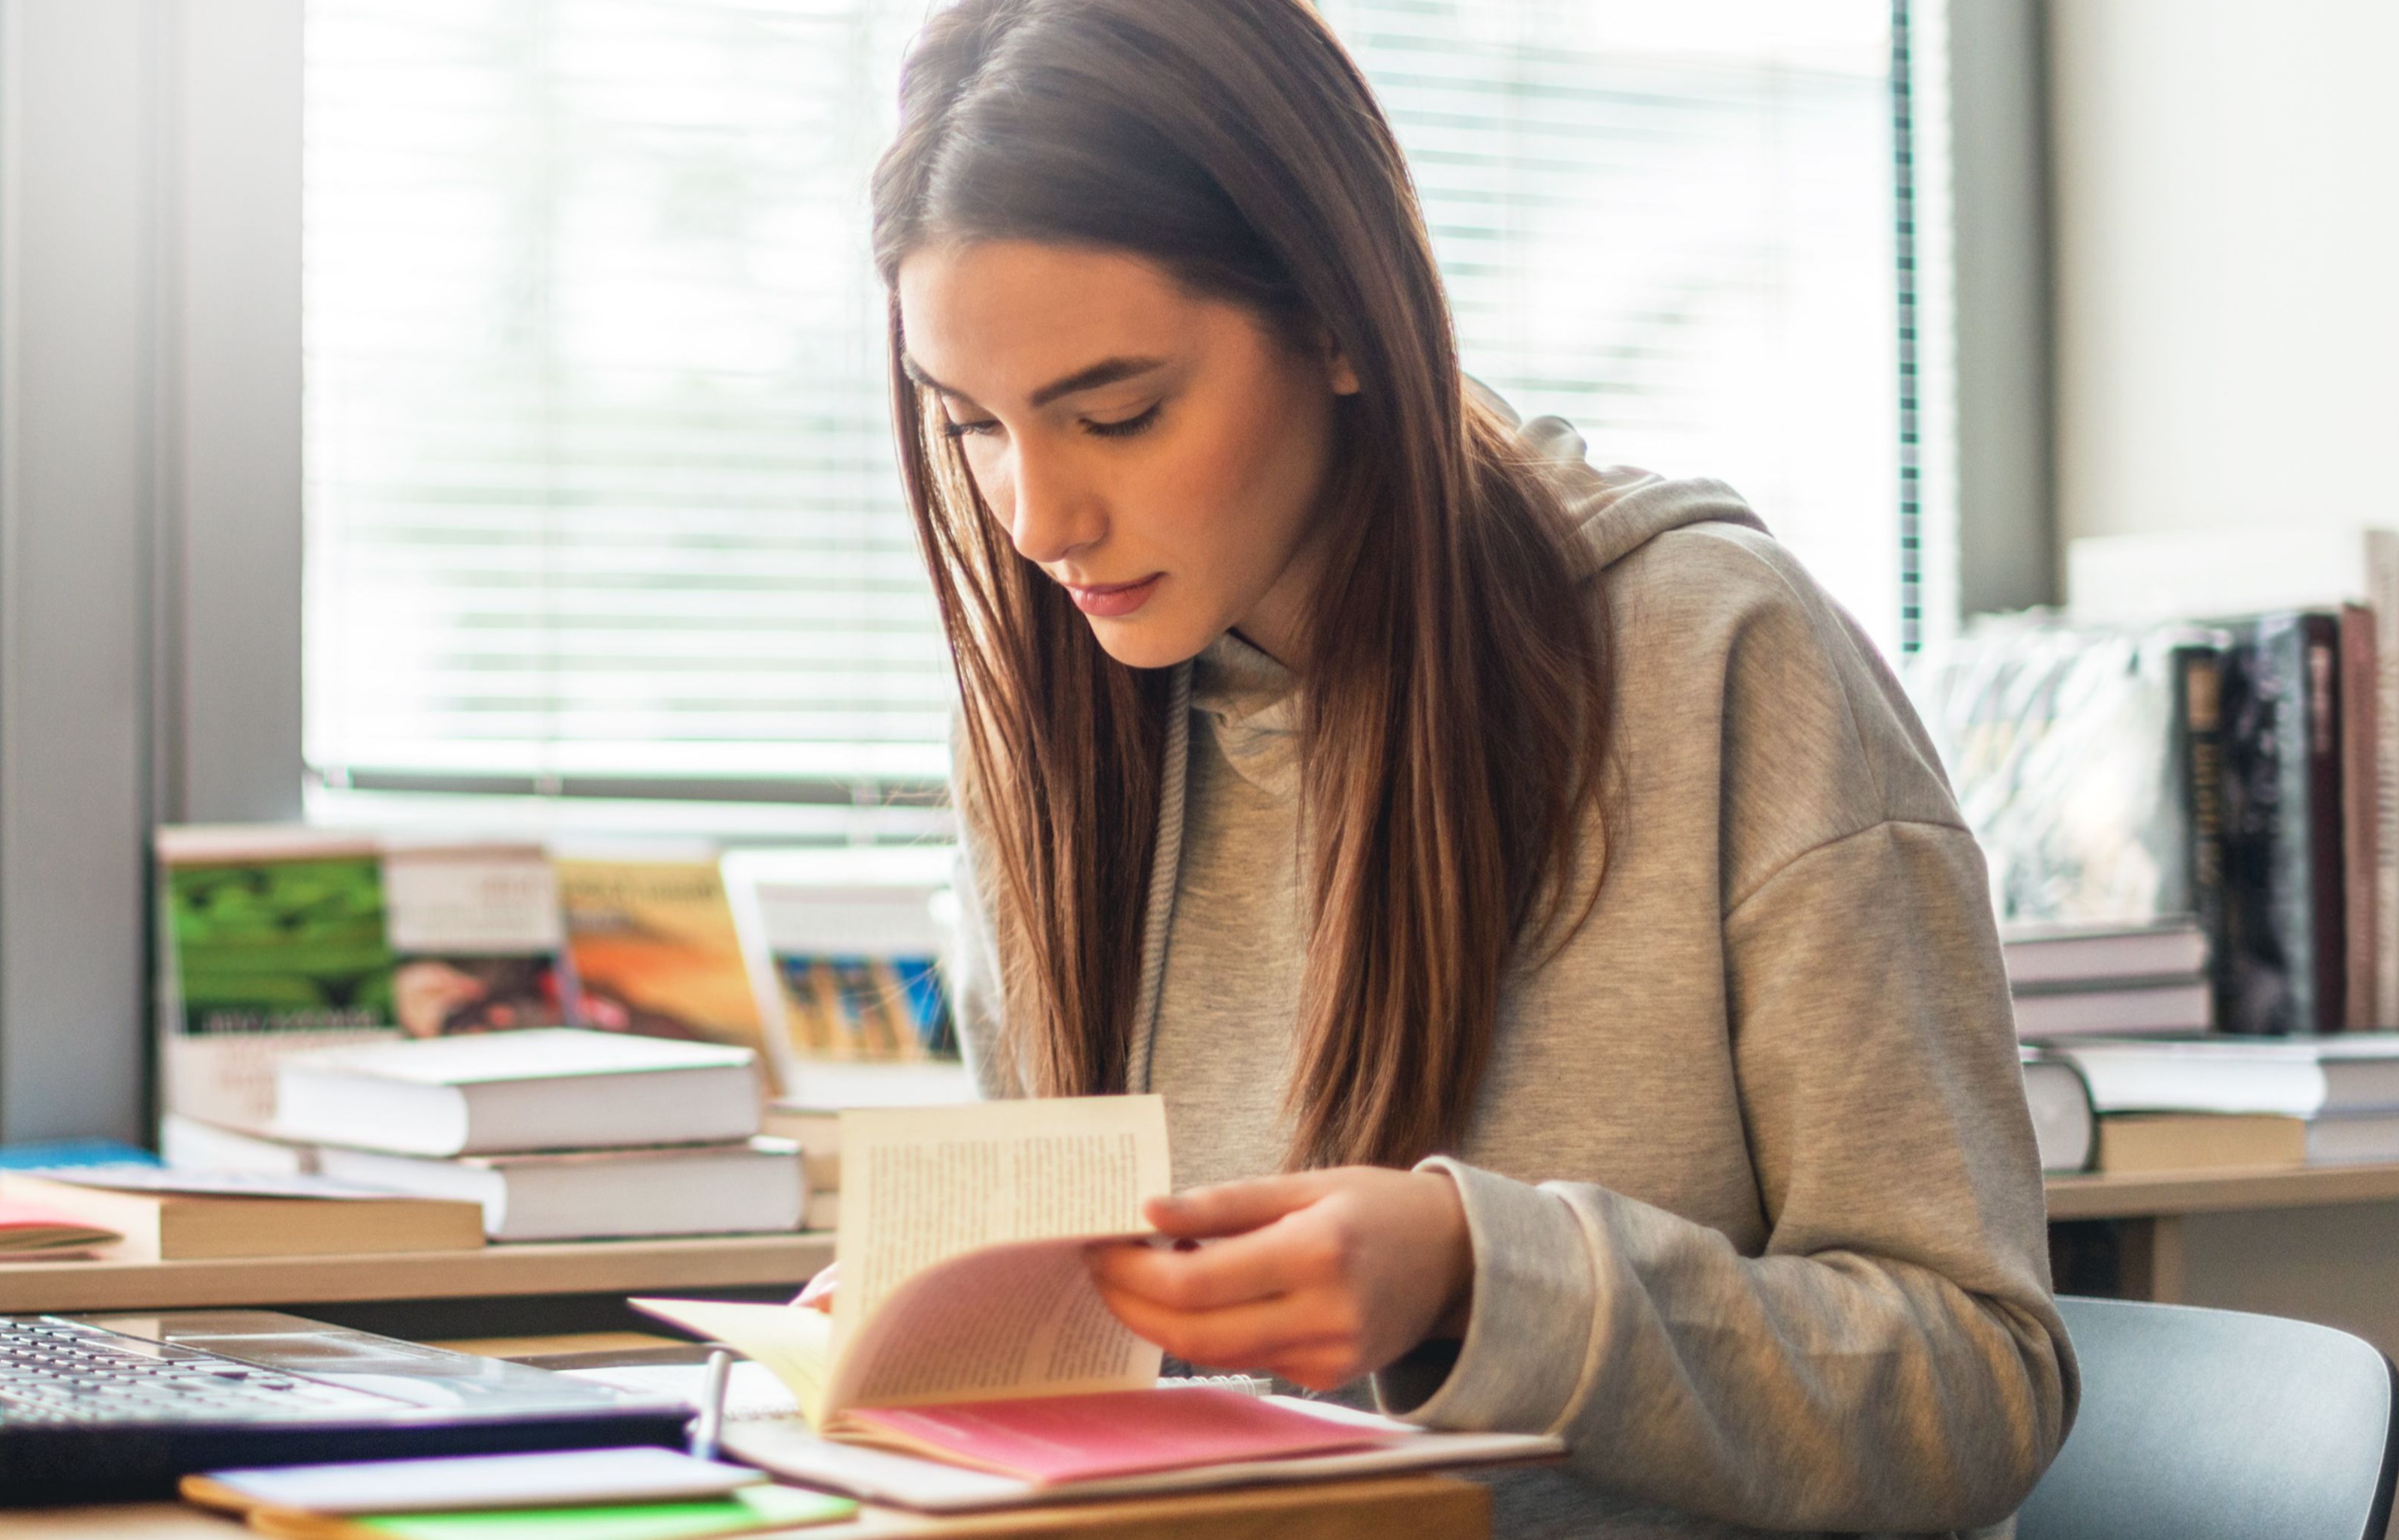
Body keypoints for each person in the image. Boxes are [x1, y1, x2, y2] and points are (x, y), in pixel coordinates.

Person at [805, 0, 2076, 1532]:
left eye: (1117, 414)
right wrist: (958, 1344)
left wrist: (1480, 1282)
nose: (1036, 517)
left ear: (1341, 320)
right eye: (974, 427)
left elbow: (1977, 1386)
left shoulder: (1720, 656)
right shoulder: (1055, 718)